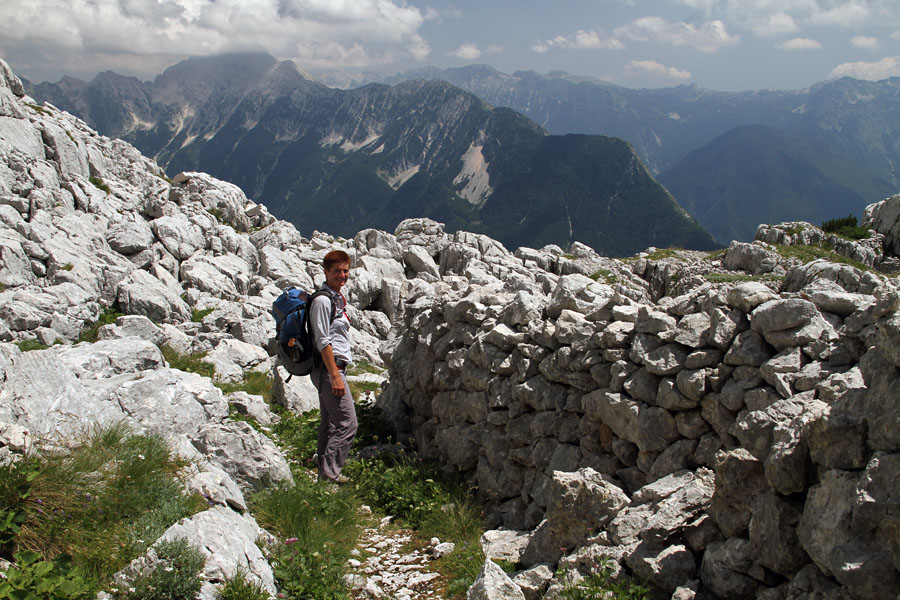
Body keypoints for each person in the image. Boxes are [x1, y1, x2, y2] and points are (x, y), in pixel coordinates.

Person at [309, 249, 357, 484]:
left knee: (329, 423)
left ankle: (324, 474)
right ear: (326, 271)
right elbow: (322, 340)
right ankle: (329, 477)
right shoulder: (322, 300)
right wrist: (335, 375)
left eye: (345, 270)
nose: (342, 275)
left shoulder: (335, 299)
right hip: (329, 370)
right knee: (347, 423)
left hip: (332, 369)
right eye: (337, 270)